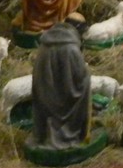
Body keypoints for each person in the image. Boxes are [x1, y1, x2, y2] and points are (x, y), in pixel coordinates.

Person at [31, 22, 92, 150]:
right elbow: (81, 78)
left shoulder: (43, 47)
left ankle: (44, 133)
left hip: (46, 95)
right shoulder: (72, 49)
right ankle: (71, 131)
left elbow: (37, 77)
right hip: (68, 100)